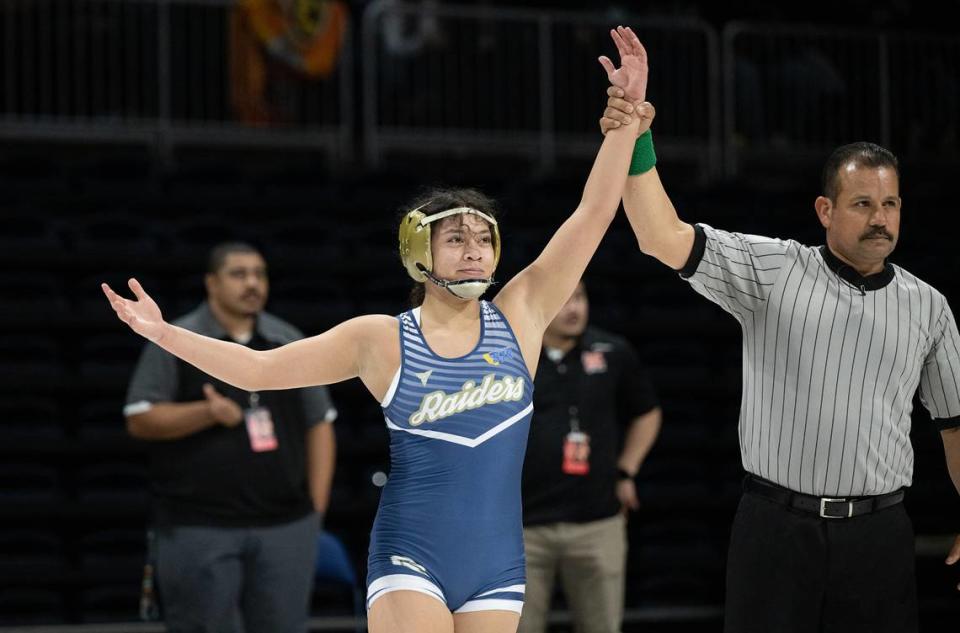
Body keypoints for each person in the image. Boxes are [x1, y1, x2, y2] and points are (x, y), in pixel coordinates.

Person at [102, 33, 651, 633]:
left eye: (483, 239)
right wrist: (161, 333)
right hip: (411, 557)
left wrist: (624, 122)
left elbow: (594, 214)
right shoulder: (381, 338)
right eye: (456, 239)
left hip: (498, 564)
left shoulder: (520, 312)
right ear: (421, 252)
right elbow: (259, 370)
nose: (475, 252)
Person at [598, 25, 960, 633]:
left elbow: (955, 423)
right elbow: (659, 236)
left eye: (890, 204)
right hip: (774, 528)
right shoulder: (772, 267)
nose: (880, 219)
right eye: (862, 204)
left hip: (879, 535)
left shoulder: (930, 306)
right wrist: (636, 133)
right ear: (826, 210)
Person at [122, 242, 338, 633]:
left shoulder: (286, 337)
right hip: (200, 525)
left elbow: (320, 422)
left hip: (285, 524)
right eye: (239, 274)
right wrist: (205, 413)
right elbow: (139, 418)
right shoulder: (175, 337)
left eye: (260, 274)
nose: (252, 284)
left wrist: (314, 511)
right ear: (211, 283)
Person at [519, 280, 661, 633]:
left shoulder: (613, 352)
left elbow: (647, 412)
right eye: (564, 299)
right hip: (522, 529)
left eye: (579, 298)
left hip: (598, 523)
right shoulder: (514, 356)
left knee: (602, 626)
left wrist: (626, 471)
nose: (573, 308)